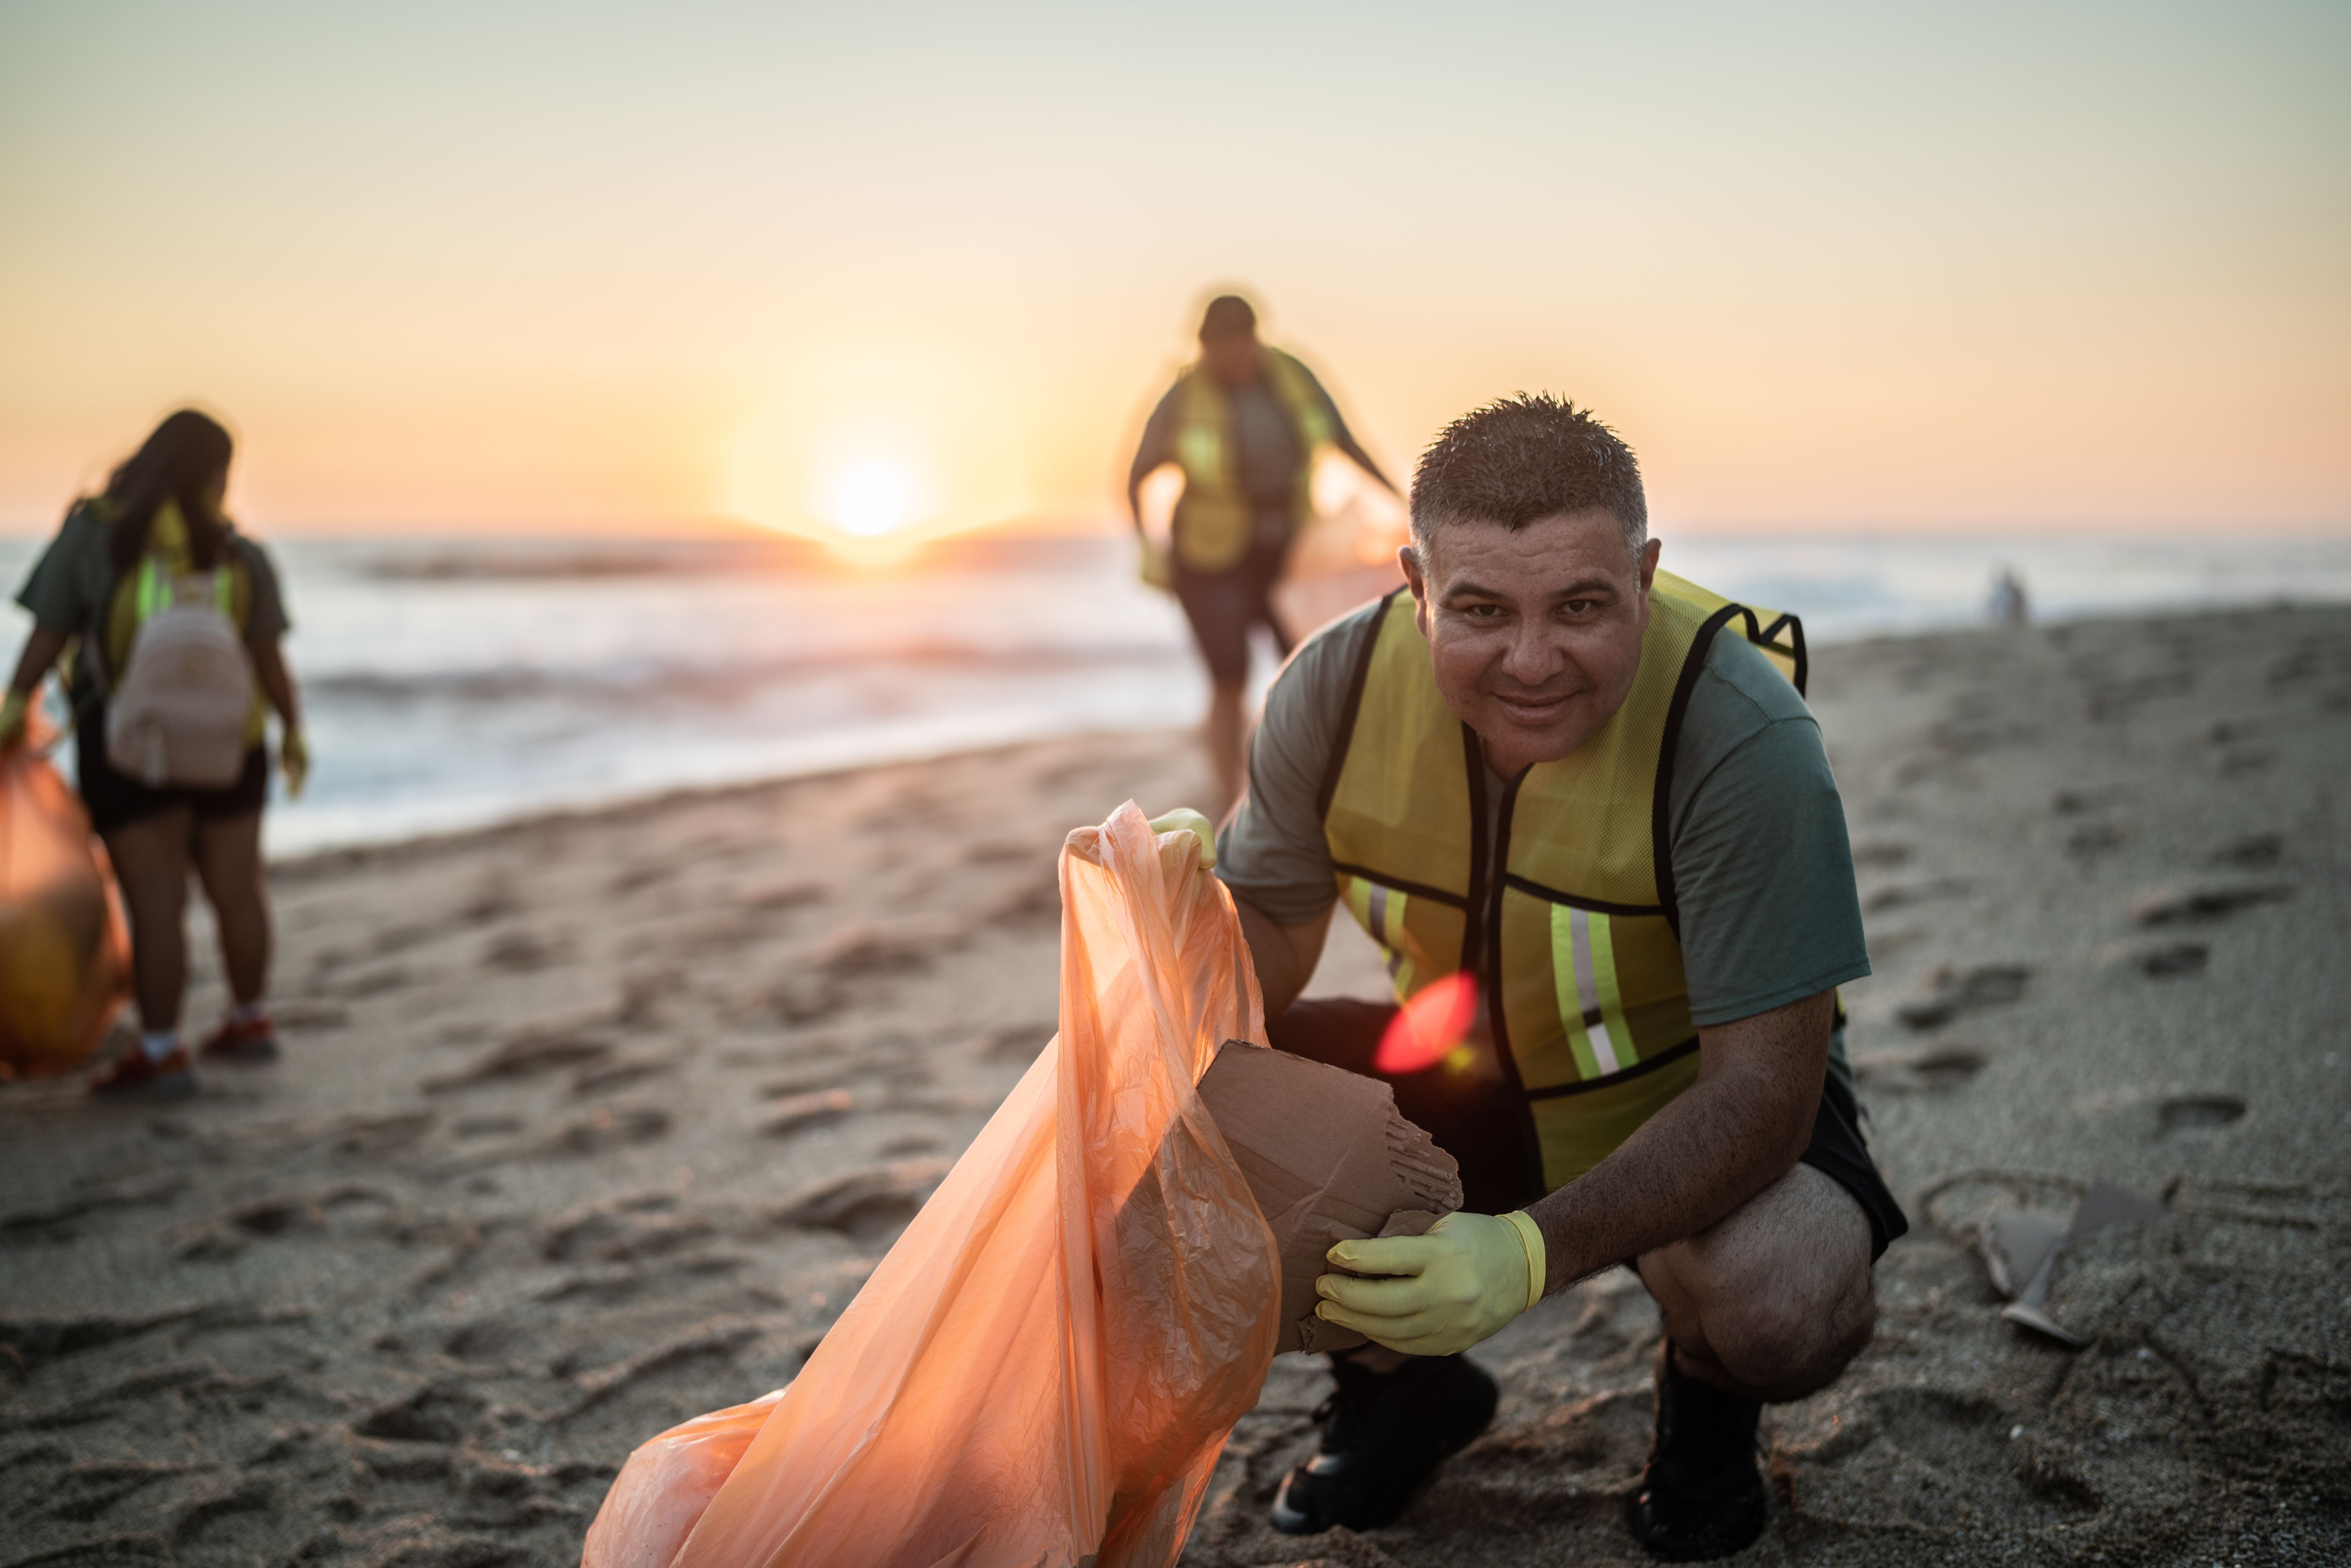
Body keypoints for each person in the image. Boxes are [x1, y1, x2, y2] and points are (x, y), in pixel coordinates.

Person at [1145, 395, 1906, 1560]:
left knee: (1780, 1297)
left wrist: (1527, 1254)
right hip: (1463, 1075)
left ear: (1643, 576)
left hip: (1683, 1100)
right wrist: (1188, 920)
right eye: (1481, 610)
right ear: (1415, 585)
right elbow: (1268, 955)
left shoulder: (1740, 734)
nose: (1532, 661)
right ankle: (1402, 1394)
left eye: (1581, 606)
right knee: (1180, 1115)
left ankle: (1704, 1408)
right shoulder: (1329, 690)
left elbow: (1764, 1095)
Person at [1, 409, 307, 1097]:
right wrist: (292, 733)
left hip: (128, 747)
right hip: (233, 747)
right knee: (239, 890)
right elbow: (269, 659)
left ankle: (164, 1050)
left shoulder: (95, 535)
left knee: (156, 904)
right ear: (215, 474)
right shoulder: (239, 553)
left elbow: (50, 631)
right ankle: (250, 1021)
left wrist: (16, 705)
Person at [1127, 294, 1399, 816]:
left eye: (1241, 345)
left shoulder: (1293, 376)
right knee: (1228, 679)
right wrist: (1148, 546)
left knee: (1303, 669)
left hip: (1287, 552)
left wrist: (1408, 504)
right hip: (1208, 560)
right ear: (1204, 348)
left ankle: (1304, 785)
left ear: (1256, 337)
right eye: (1220, 350)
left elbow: (1348, 443)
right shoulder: (1184, 396)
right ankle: (1230, 797)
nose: (1233, 359)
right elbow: (1137, 474)